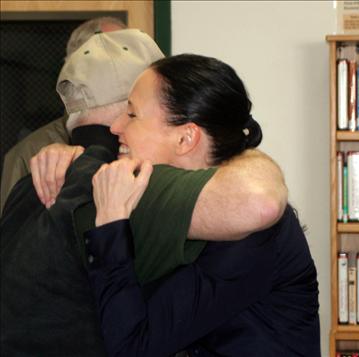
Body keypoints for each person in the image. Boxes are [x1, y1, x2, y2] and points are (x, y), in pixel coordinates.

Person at [0, 31, 287, 356]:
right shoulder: (118, 182)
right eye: (129, 110)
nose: (120, 127)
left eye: (134, 115)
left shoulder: (35, 183)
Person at [85, 54, 321, 356]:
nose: (116, 127)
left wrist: (109, 224)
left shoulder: (247, 234)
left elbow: (132, 346)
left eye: (131, 114)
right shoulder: (189, 204)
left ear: (185, 139)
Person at [0, 16, 127, 215]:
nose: (122, 66)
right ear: (76, 68)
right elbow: (12, 234)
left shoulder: (146, 136)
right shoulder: (30, 152)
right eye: (109, 55)